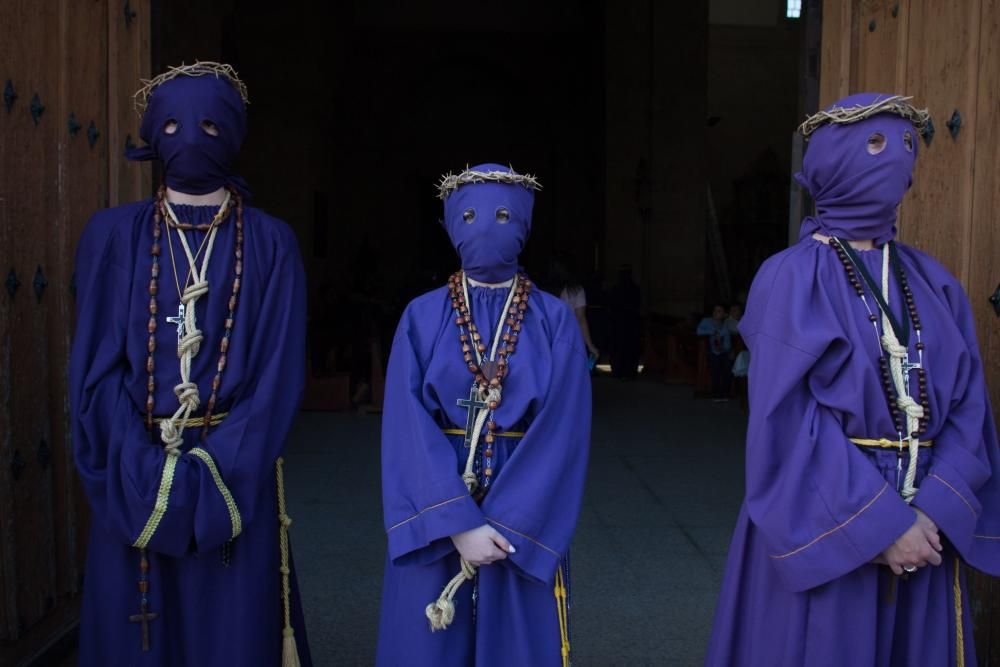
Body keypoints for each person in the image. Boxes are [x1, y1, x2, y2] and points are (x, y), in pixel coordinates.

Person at [706, 93, 1000, 666]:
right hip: (830, 527)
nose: (897, 158)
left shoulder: (933, 281)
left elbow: (969, 409)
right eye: (874, 143)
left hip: (926, 535)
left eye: (907, 145)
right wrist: (883, 528)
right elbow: (787, 424)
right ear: (831, 158)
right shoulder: (790, 277)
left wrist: (930, 514)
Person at [69, 62, 311, 666]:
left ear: (231, 134)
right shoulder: (113, 235)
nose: (189, 139)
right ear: (153, 135)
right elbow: (94, 372)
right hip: (134, 472)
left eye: (207, 124)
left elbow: (278, 375)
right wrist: (142, 470)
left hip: (234, 474)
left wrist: (212, 474)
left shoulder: (271, 241)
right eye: (172, 124)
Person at [377, 164, 591, 666]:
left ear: (524, 224)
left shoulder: (553, 319)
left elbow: (564, 431)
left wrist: (505, 526)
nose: (485, 228)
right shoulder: (421, 316)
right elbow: (405, 427)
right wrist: (455, 522)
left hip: (522, 510)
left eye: (501, 215)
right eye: (470, 215)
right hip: (438, 504)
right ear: (451, 224)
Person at [551, 254, 600, 365]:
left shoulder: (542, 290)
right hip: (569, 339)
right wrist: (590, 345)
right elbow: (581, 319)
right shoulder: (576, 290)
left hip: (547, 338)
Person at [608, 263, 641, 379]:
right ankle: (627, 372)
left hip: (622, 323)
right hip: (627, 323)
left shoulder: (617, 289)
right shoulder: (634, 289)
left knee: (622, 348)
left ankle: (620, 372)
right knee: (627, 348)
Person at [696, 304, 732, 400]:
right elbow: (699, 331)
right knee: (714, 368)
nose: (716, 313)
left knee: (727, 367)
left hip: (723, 351)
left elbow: (727, 346)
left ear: (724, 314)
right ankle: (716, 393)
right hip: (711, 351)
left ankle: (725, 393)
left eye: (719, 311)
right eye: (715, 310)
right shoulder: (707, 321)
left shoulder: (725, 327)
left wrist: (722, 347)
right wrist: (713, 332)